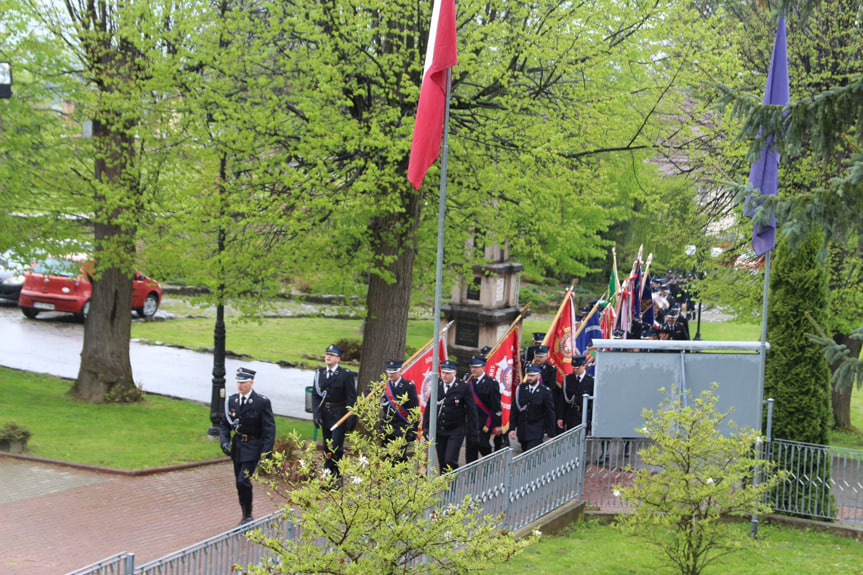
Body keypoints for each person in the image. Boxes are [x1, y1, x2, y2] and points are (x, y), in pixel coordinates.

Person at [219, 367, 276, 526]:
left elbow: (269, 430)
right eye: (238, 382)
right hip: (237, 448)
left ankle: (248, 516)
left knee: (243, 480)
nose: (240, 385)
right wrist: (224, 441)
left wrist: (266, 453)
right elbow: (224, 425)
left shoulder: (261, 402)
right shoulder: (232, 401)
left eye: (243, 382)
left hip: (253, 447)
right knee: (239, 482)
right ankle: (244, 513)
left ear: (251, 382)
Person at [423, 359, 478, 472]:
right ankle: (445, 485)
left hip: (455, 430)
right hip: (440, 430)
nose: (444, 376)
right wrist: (426, 426)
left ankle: (452, 486)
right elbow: (430, 407)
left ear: (455, 373)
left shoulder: (463, 387)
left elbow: (472, 410)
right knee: (442, 461)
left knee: (450, 460)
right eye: (443, 372)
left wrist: (474, 432)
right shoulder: (437, 384)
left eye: (448, 373)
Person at [311, 344, 357, 479]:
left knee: (336, 447)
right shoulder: (319, 374)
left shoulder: (345, 375)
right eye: (327, 354)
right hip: (325, 414)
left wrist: (351, 417)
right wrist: (316, 414)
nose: (328, 357)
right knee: (326, 447)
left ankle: (335, 477)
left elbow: (351, 397)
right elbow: (316, 395)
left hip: (339, 415)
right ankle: (327, 476)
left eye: (332, 355)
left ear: (339, 359)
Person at [509, 364, 556, 452]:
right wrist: (512, 428)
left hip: (536, 430)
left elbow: (550, 413)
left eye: (532, 376)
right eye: (529, 375)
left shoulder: (545, 391)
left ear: (539, 376)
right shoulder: (521, 388)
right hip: (522, 429)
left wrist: (551, 434)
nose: (530, 378)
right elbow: (514, 409)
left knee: (531, 453)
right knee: (525, 451)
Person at [464, 355, 502, 463]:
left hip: (484, 421)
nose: (473, 369)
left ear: (483, 367)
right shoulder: (468, 380)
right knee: (470, 450)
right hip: (470, 420)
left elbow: (496, 405)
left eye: (476, 367)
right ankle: (471, 475)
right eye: (472, 367)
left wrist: (497, 424)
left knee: (483, 445)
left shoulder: (491, 383)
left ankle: (490, 464)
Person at [380, 359, 419, 461]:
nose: (390, 374)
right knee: (387, 456)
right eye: (389, 372)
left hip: (402, 427)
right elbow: (369, 394)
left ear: (400, 371)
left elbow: (414, 409)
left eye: (393, 372)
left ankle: (399, 475)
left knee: (398, 456)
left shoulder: (408, 386)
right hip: (387, 426)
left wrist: (413, 431)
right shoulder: (382, 385)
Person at [556, 355, 594, 435]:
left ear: (584, 365)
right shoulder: (568, 379)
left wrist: (591, 419)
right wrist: (560, 417)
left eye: (577, 367)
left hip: (584, 415)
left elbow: (592, 402)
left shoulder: (591, 381)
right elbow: (562, 399)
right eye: (573, 367)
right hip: (571, 414)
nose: (575, 370)